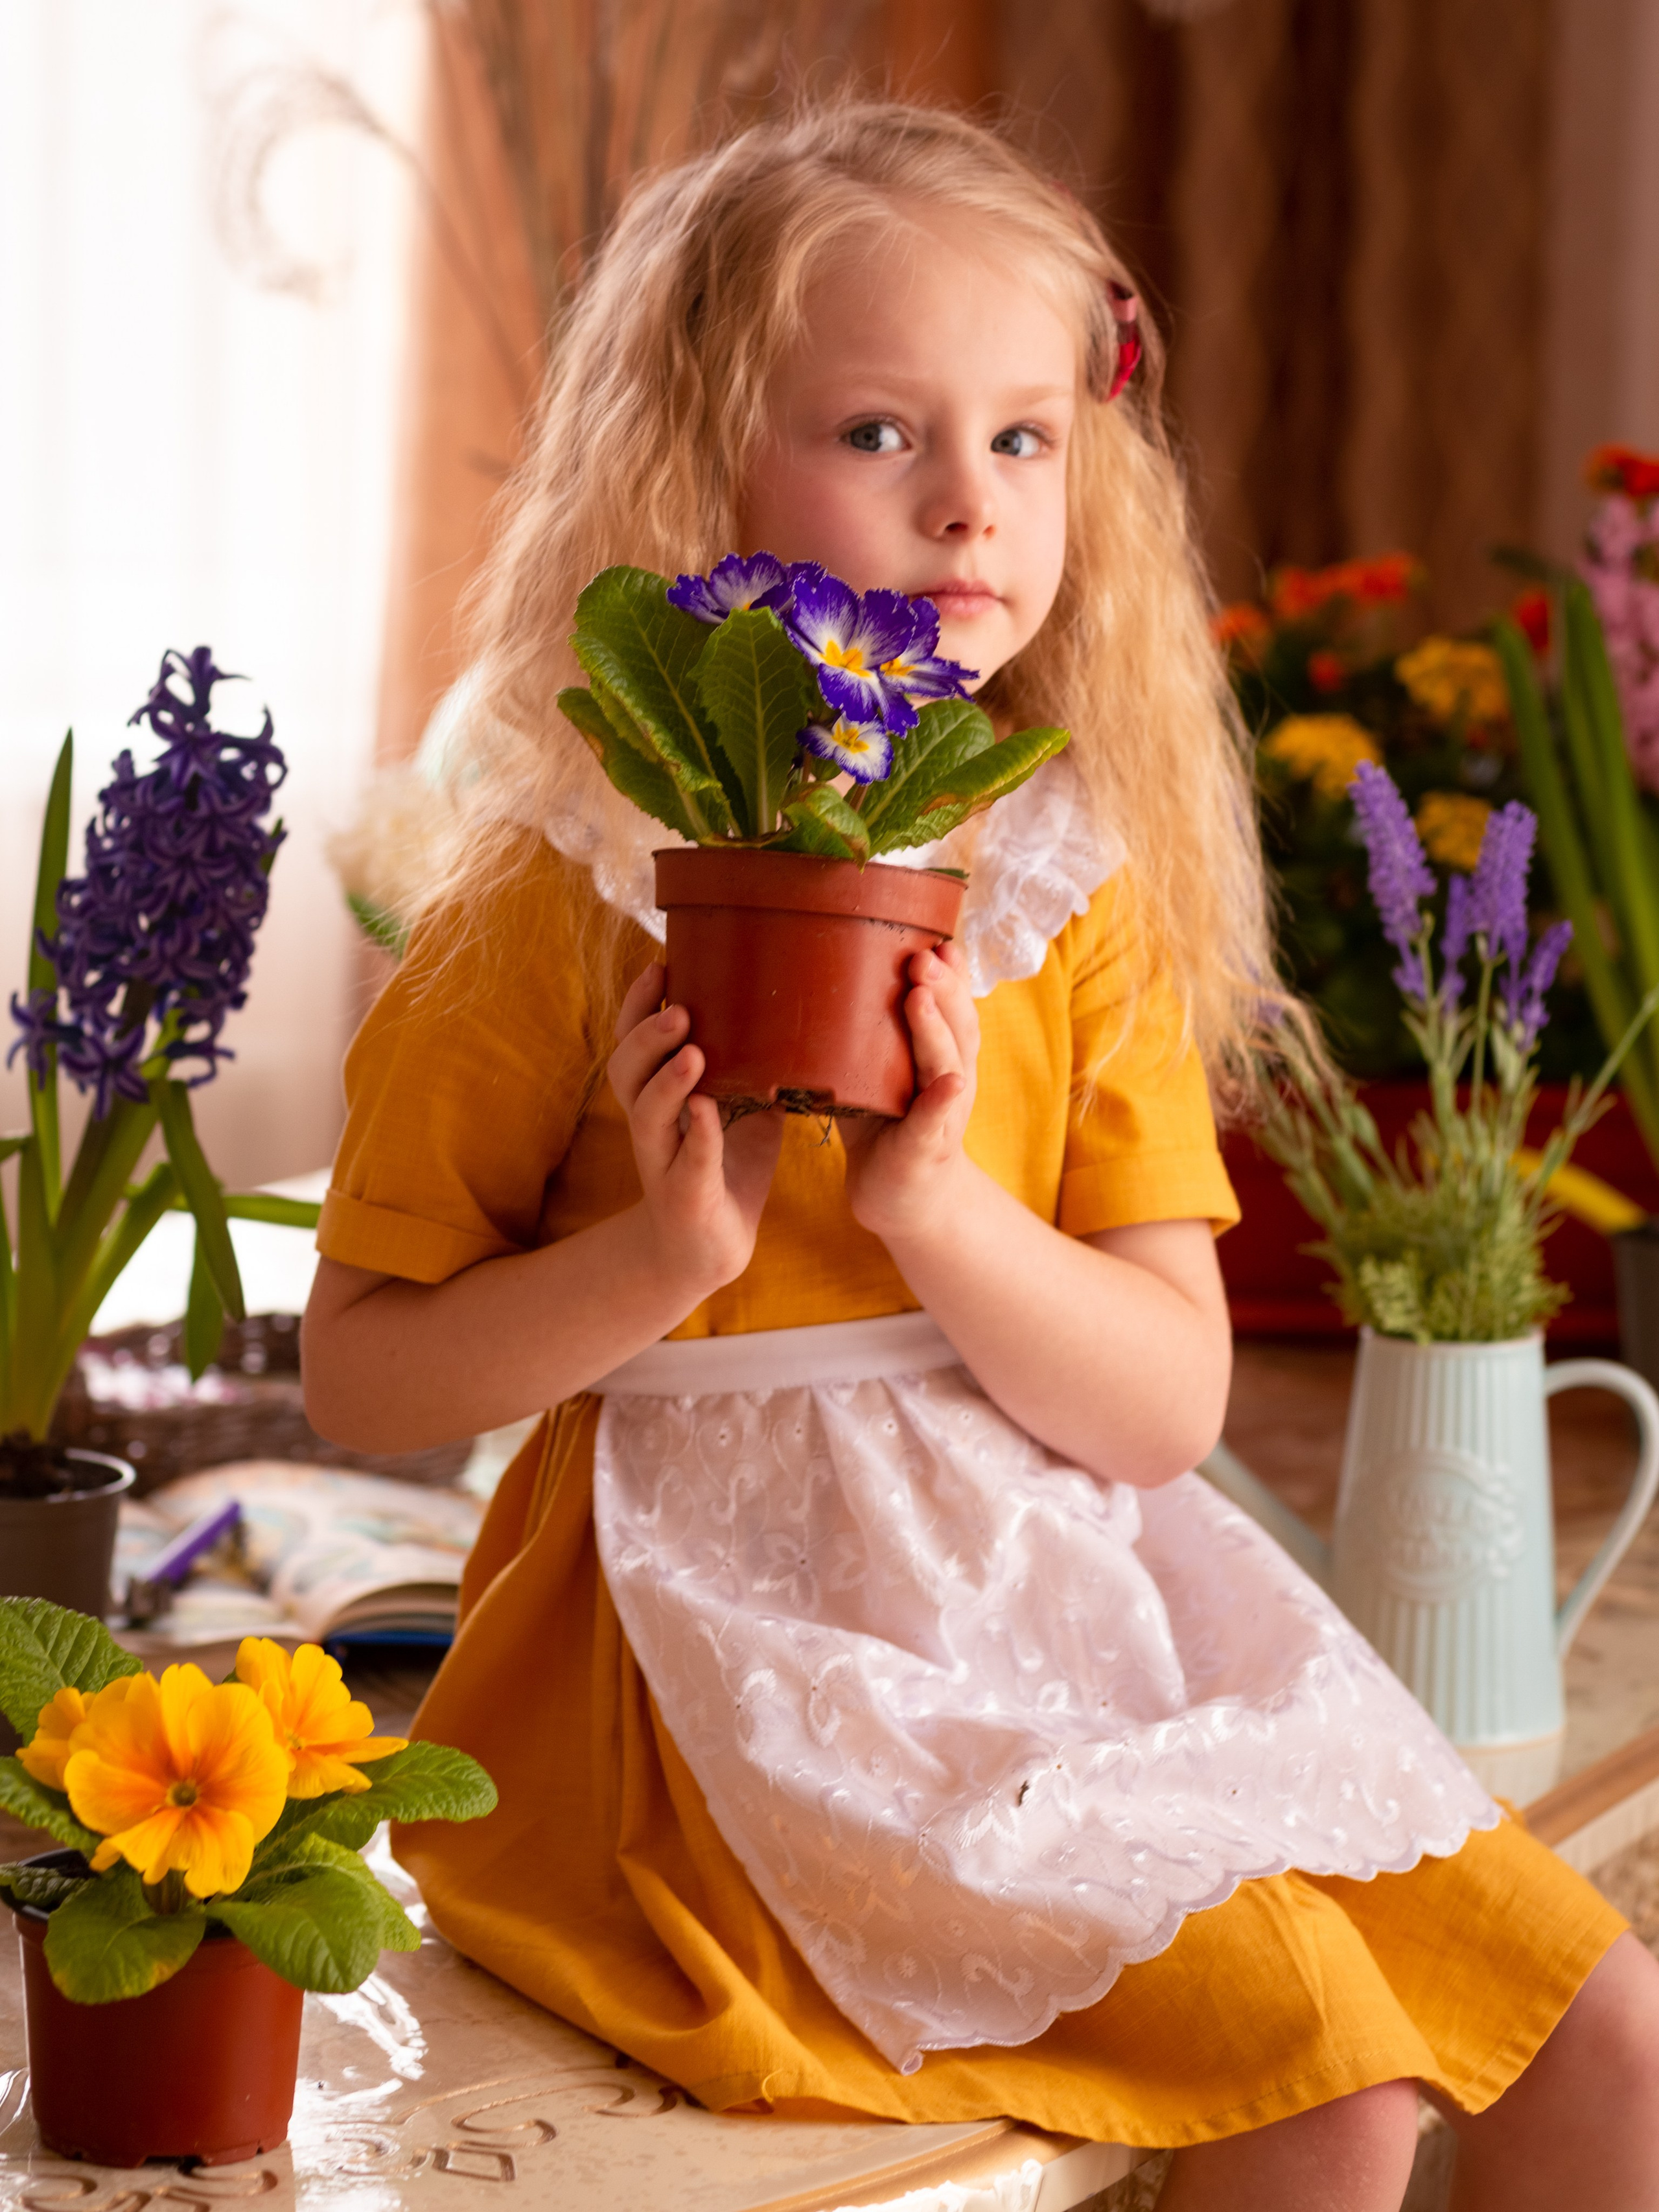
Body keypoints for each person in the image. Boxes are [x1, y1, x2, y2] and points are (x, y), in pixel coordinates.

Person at [302, 101, 1659, 2211]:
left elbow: (1167, 1406)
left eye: (1026, 441)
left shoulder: (1065, 881)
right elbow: (361, 1372)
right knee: (1328, 2070)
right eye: (880, 435)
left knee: (1618, 2036)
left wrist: (930, 1203)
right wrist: (665, 1253)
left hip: (1064, 1600)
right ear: (696, 461)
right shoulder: (557, 890)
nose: (969, 511)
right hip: (722, 1651)